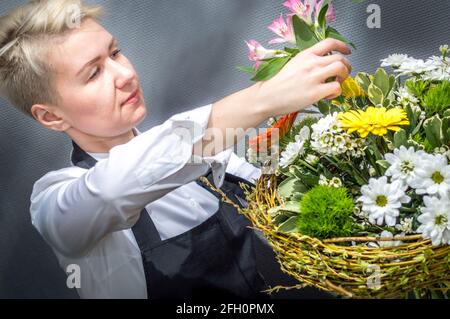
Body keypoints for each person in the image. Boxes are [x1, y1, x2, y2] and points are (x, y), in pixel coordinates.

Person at [0, 0, 352, 299]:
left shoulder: (211, 155)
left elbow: (281, 197)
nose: (124, 75)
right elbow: (115, 188)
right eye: (93, 74)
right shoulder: (54, 204)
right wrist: (264, 99)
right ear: (51, 116)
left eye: (115, 53)